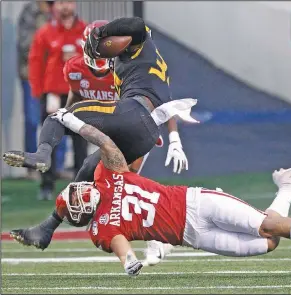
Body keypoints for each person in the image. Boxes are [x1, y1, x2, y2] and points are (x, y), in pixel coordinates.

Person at [11, 109, 291, 277]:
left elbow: (104, 141)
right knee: (269, 242)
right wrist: (128, 261)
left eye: (74, 193)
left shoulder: (107, 174)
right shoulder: (99, 229)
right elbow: (118, 242)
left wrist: (70, 121)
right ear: (79, 217)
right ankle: (287, 184)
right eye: (75, 204)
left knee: (267, 226)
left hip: (196, 201)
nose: (80, 197)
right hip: (192, 235)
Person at [3, 17, 195, 258]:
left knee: (57, 117)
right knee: (88, 169)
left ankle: (42, 155)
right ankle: (47, 228)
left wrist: (102, 32)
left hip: (131, 116)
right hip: (141, 131)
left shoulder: (139, 47)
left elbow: (136, 25)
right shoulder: (120, 63)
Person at [28, 0, 88, 200]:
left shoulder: (86, 32)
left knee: (81, 139)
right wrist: (38, 91)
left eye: (68, 2)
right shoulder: (45, 32)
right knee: (49, 141)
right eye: (60, 2)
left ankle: (81, 186)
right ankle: (47, 185)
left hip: (79, 94)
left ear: (75, 5)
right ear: (54, 7)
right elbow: (36, 62)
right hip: (53, 94)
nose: (64, 7)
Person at [17, 1, 53, 180]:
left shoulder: (60, 10)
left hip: (54, 78)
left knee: (56, 120)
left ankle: (55, 167)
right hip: (32, 76)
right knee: (32, 121)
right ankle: (31, 167)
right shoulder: (30, 11)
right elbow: (26, 45)